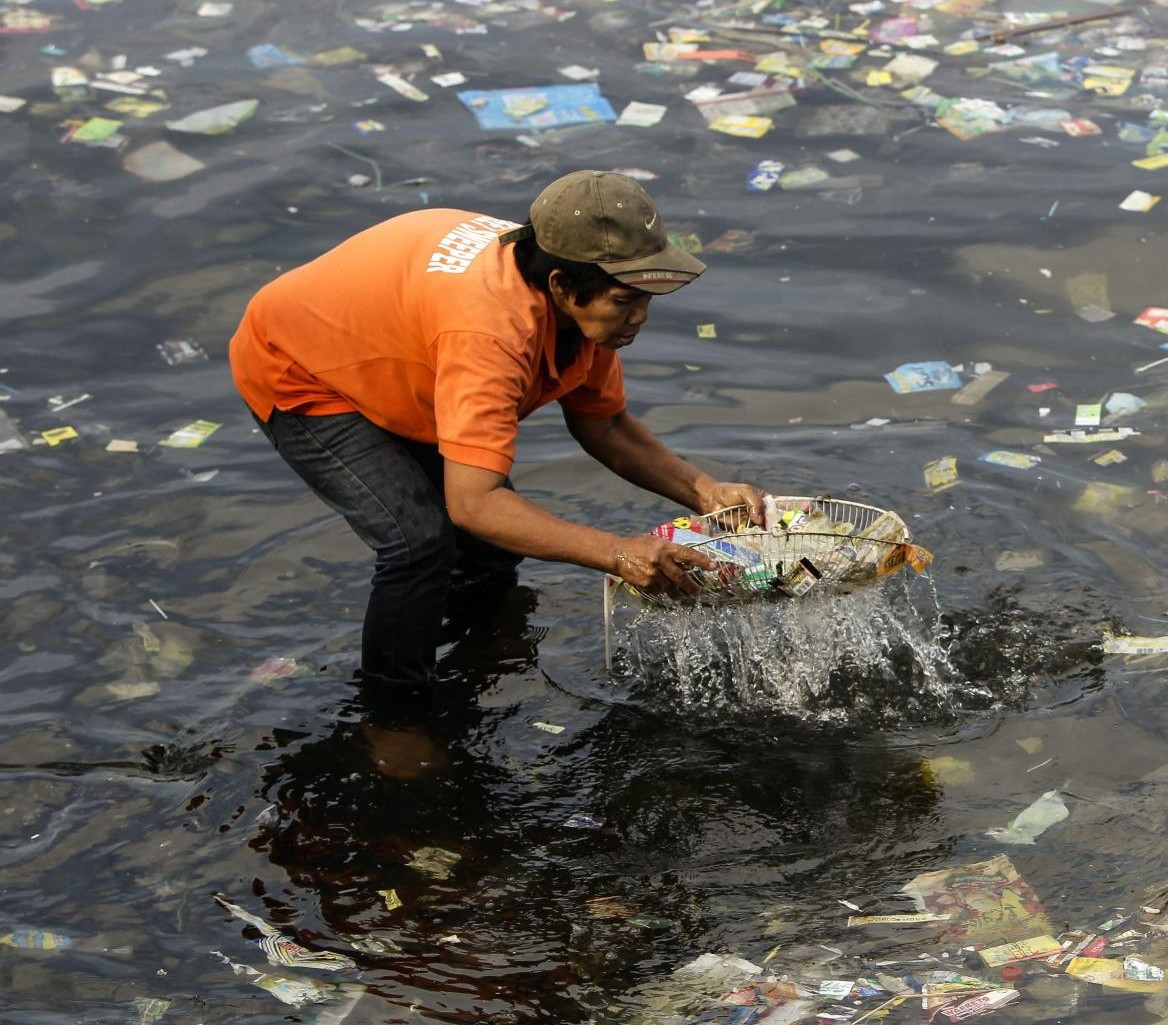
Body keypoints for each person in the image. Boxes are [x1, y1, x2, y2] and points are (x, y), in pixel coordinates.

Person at [230, 169, 766, 701]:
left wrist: (702, 490)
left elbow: (603, 423)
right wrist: (619, 553)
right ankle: (394, 716)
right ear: (562, 286)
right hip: (304, 369)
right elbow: (474, 504)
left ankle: (482, 649)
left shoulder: (574, 296)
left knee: (488, 552)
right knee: (416, 542)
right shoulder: (489, 334)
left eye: (647, 298)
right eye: (624, 302)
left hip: (408, 350)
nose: (641, 317)